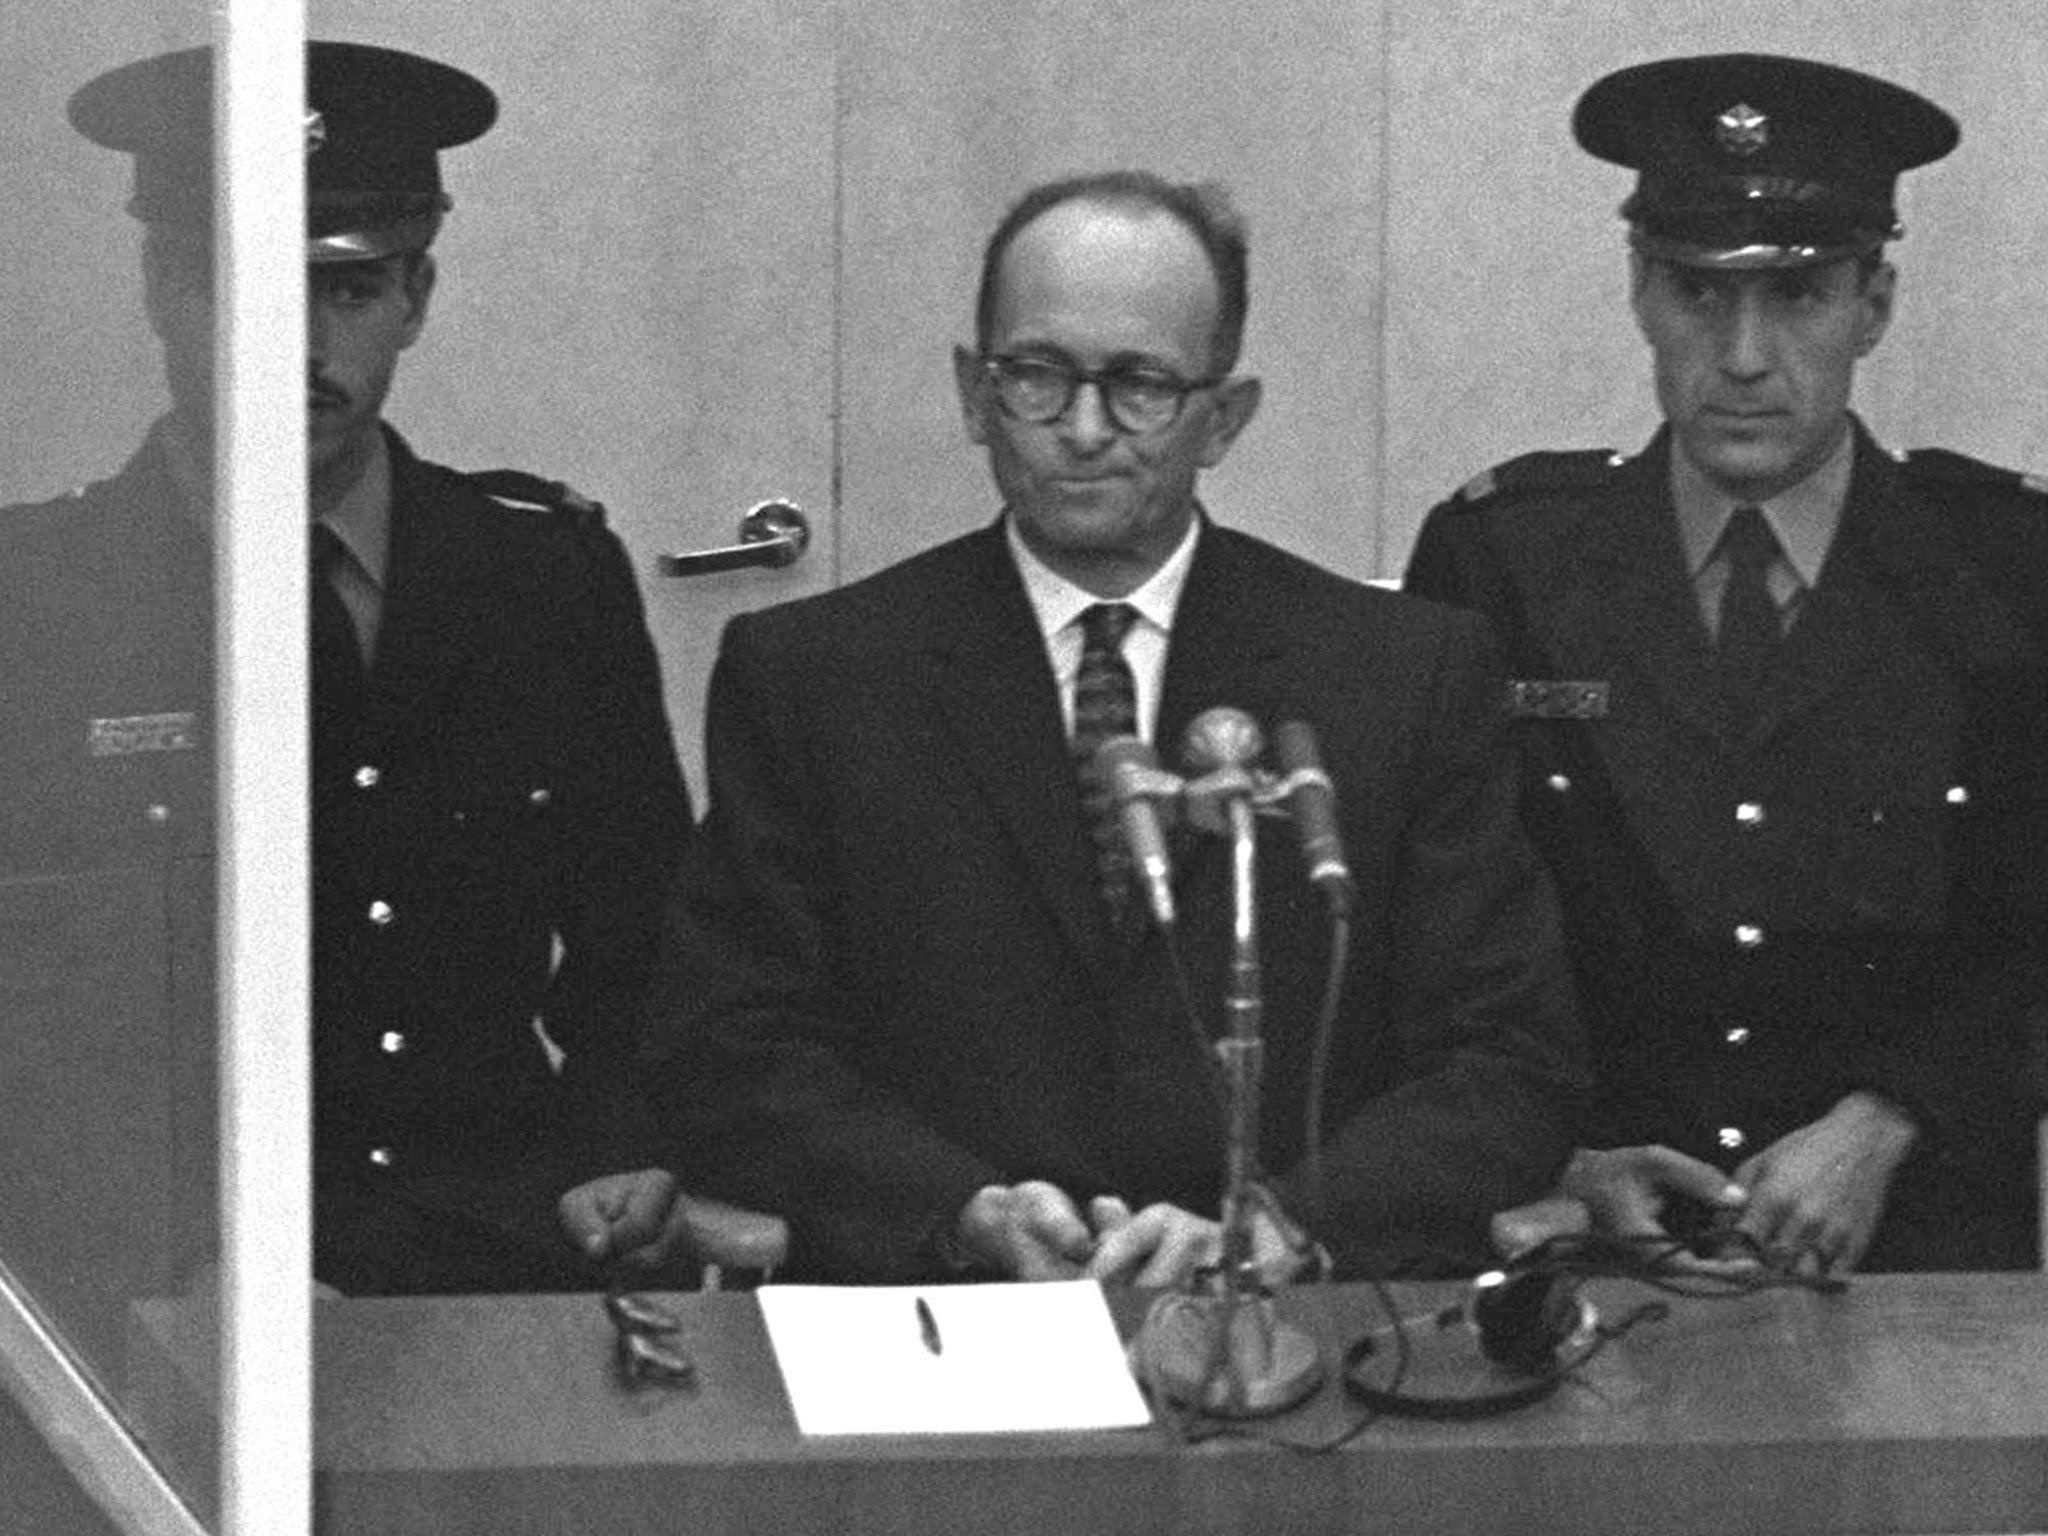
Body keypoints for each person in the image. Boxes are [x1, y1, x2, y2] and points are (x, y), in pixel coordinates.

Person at [598, 171, 1586, 1287]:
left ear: (1223, 417)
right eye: (1036, 376)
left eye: (1139, 385)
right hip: (939, 1314)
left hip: (1287, 1322)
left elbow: (1506, 1061)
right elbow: (726, 1046)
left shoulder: (1401, 675)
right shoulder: (816, 678)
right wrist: (956, 1211)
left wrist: (1284, 1226)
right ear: (973, 392)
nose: (1079, 429)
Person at [1, 42, 692, 1296]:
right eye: (249, 288)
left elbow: (638, 942)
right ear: (163, 287)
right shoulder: (35, 604)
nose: (304, 345)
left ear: (418, 297)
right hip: (152, 1287)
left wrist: (625, 1152)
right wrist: (161, 1264)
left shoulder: (544, 585)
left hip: (490, 1251)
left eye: (353, 291)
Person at [1406, 53, 2048, 1273]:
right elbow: (1433, 940)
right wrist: (1560, 1160)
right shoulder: (1503, 561)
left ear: (1875, 304)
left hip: (1914, 1261)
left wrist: (1887, 1116)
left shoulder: (2011, 571)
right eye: (1698, 294)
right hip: (1585, 1254)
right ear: (1639, 291)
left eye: (1799, 293)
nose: (1743, 354)